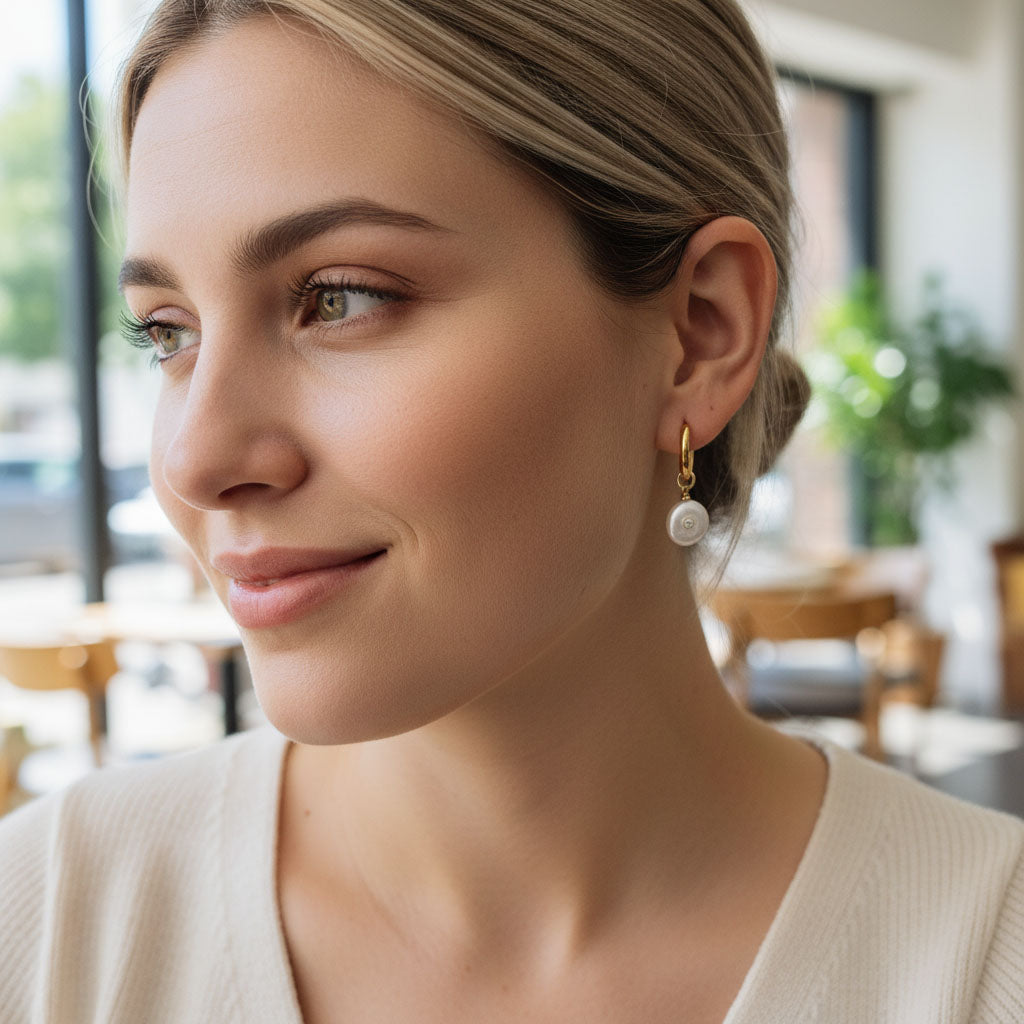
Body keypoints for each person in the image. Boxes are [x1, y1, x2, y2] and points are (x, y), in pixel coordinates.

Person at [1, 1, 1022, 1020]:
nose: (195, 458)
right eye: (167, 333)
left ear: (700, 334)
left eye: (341, 297)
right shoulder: (48, 924)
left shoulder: (985, 956)